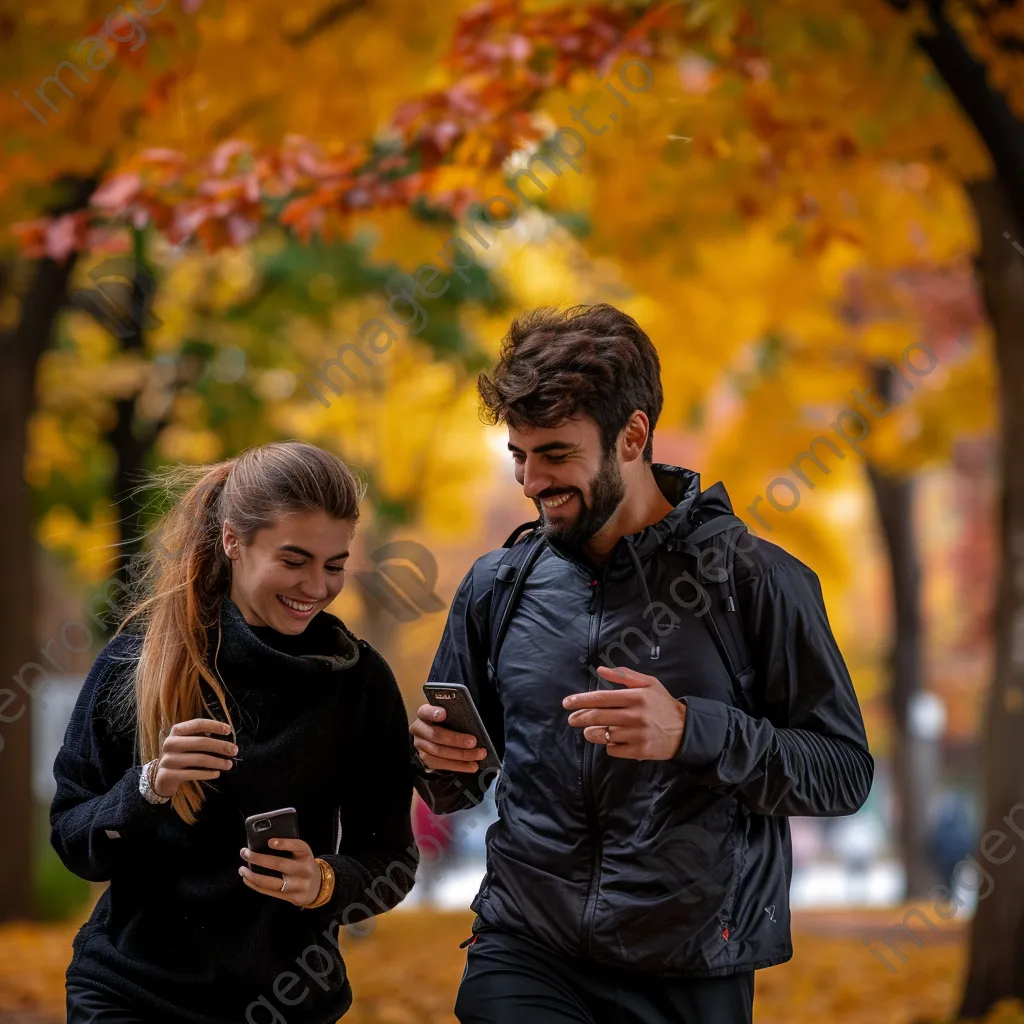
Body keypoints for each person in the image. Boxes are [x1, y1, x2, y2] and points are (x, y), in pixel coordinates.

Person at [409, 304, 875, 1024]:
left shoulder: (754, 582)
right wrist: (441, 758)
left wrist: (694, 730)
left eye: (556, 454)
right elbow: (452, 784)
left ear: (633, 435)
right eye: (519, 456)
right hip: (526, 941)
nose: (531, 482)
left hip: (690, 962)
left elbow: (842, 771)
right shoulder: (496, 586)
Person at [51, 441, 418, 1024]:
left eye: (335, 564)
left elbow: (391, 860)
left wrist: (323, 882)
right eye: (294, 561)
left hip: (289, 1003)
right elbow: (74, 841)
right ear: (232, 541)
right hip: (131, 994)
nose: (317, 588)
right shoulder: (139, 661)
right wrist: (148, 788)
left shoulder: (360, 681)